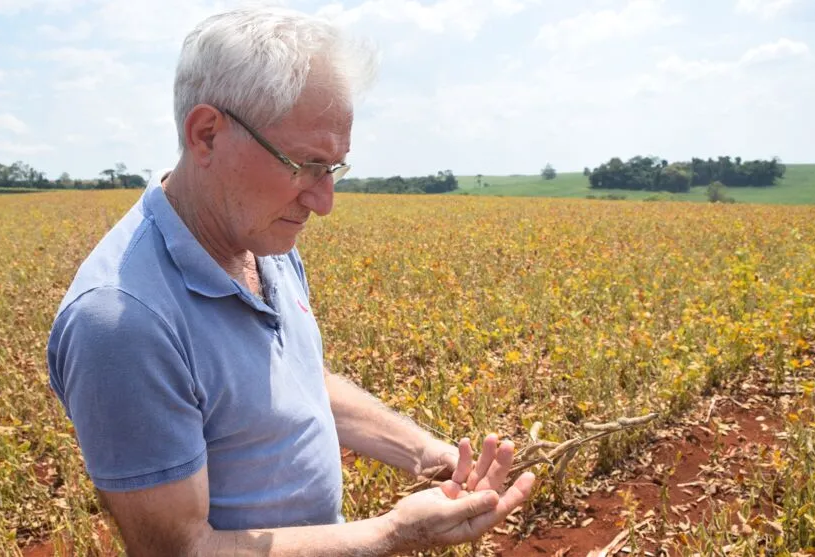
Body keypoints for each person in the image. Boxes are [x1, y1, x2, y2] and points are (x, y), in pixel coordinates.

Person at [47, 6, 535, 556]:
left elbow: (294, 380)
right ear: (206, 135)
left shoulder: (261, 238)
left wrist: (425, 454)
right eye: (304, 164)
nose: (323, 202)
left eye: (333, 168)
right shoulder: (122, 321)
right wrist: (394, 533)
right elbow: (180, 549)